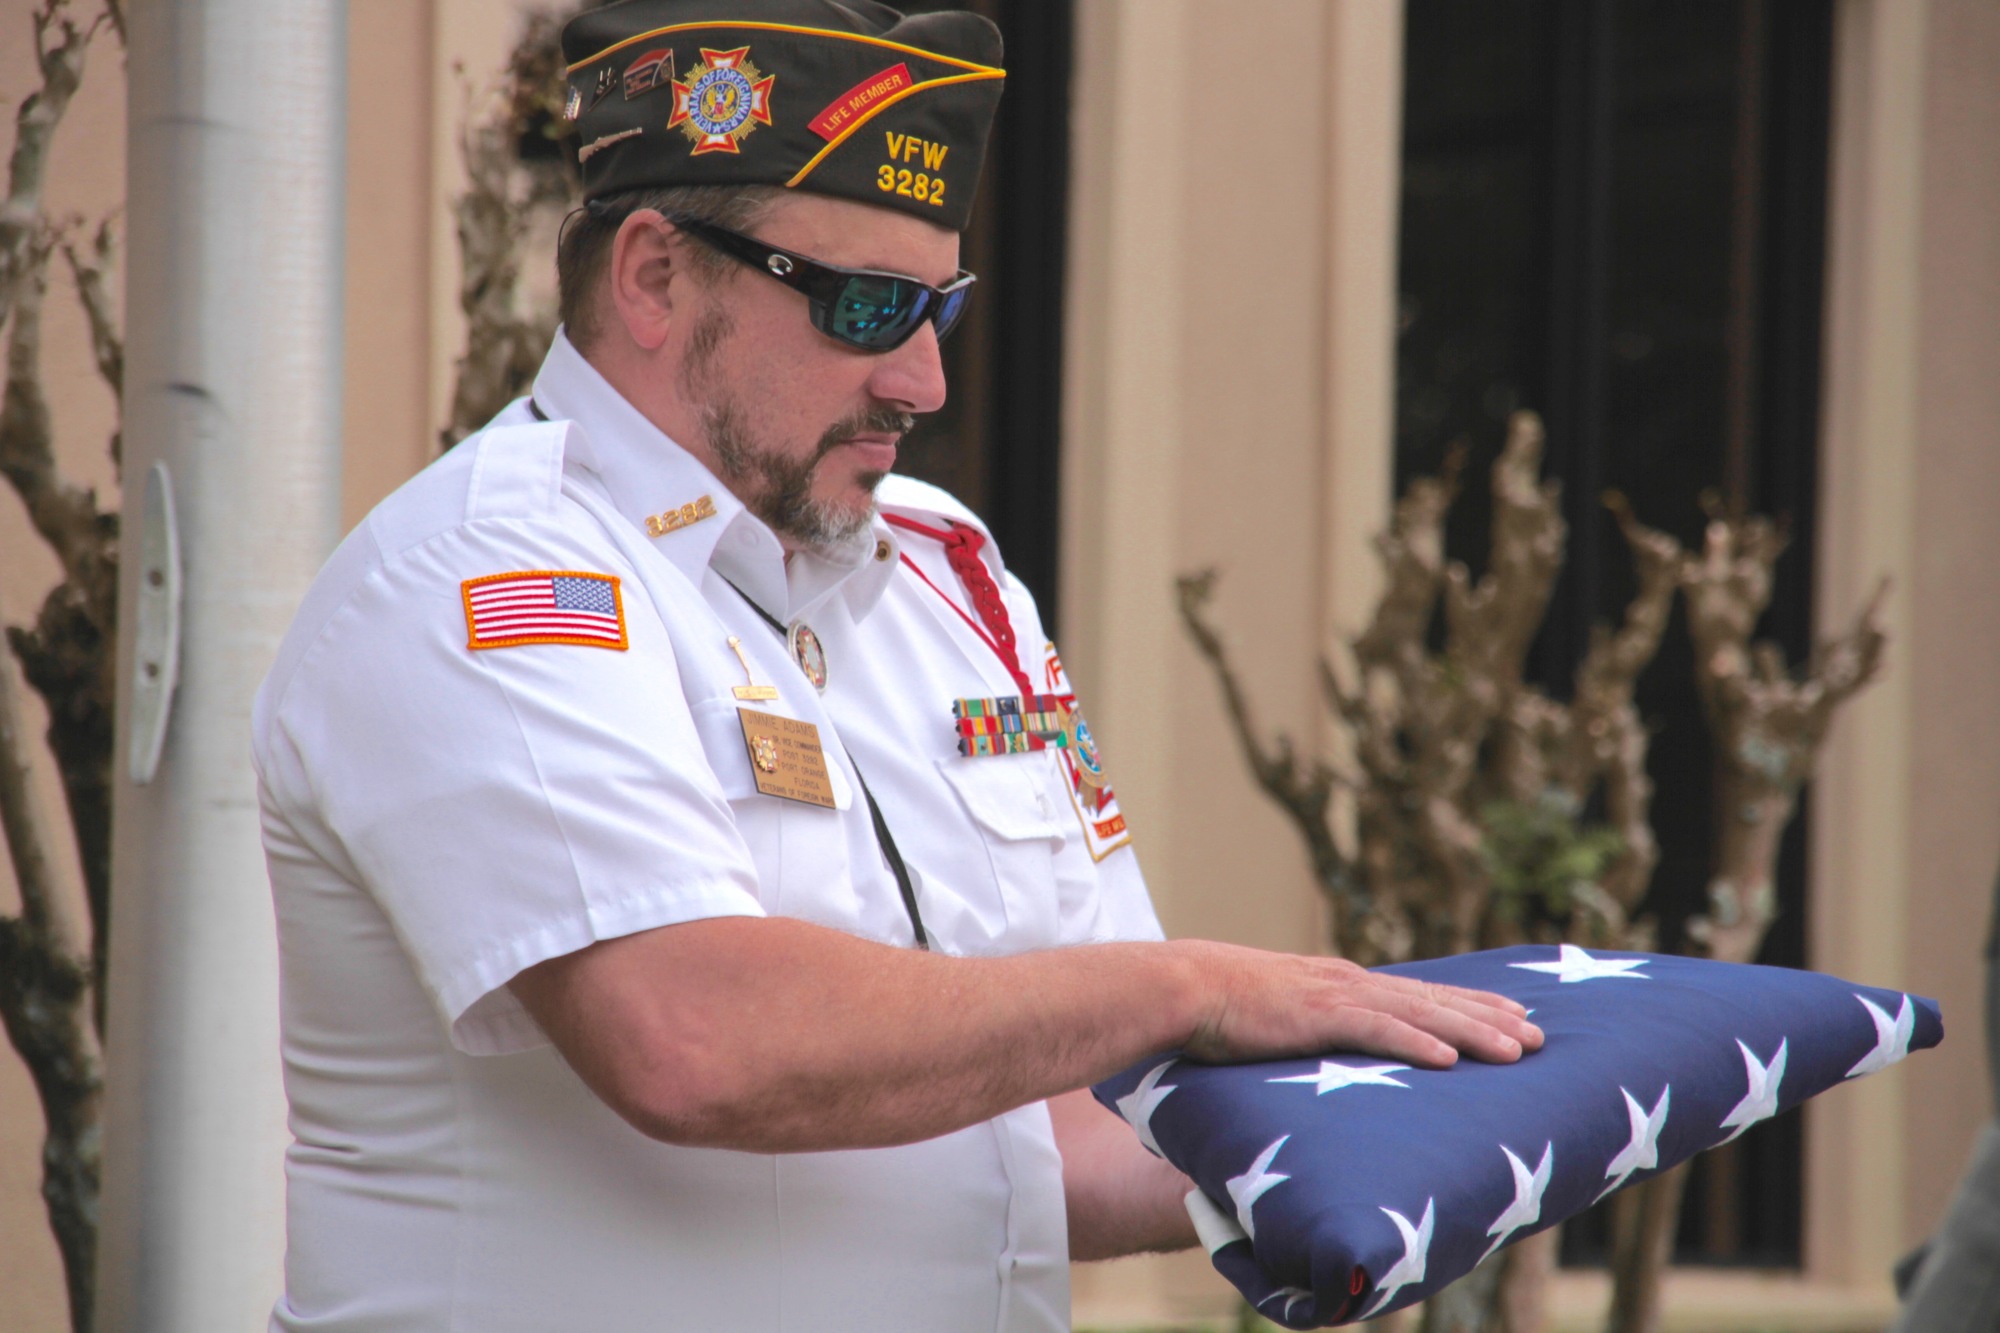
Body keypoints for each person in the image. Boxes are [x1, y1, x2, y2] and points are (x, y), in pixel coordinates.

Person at [251, 2, 1543, 1329]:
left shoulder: (947, 569)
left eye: (943, 308)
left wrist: (1410, 1137)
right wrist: (1194, 987)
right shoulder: (490, 580)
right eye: (869, 307)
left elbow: (1053, 1127)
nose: (922, 380)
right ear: (653, 278)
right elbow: (694, 1041)